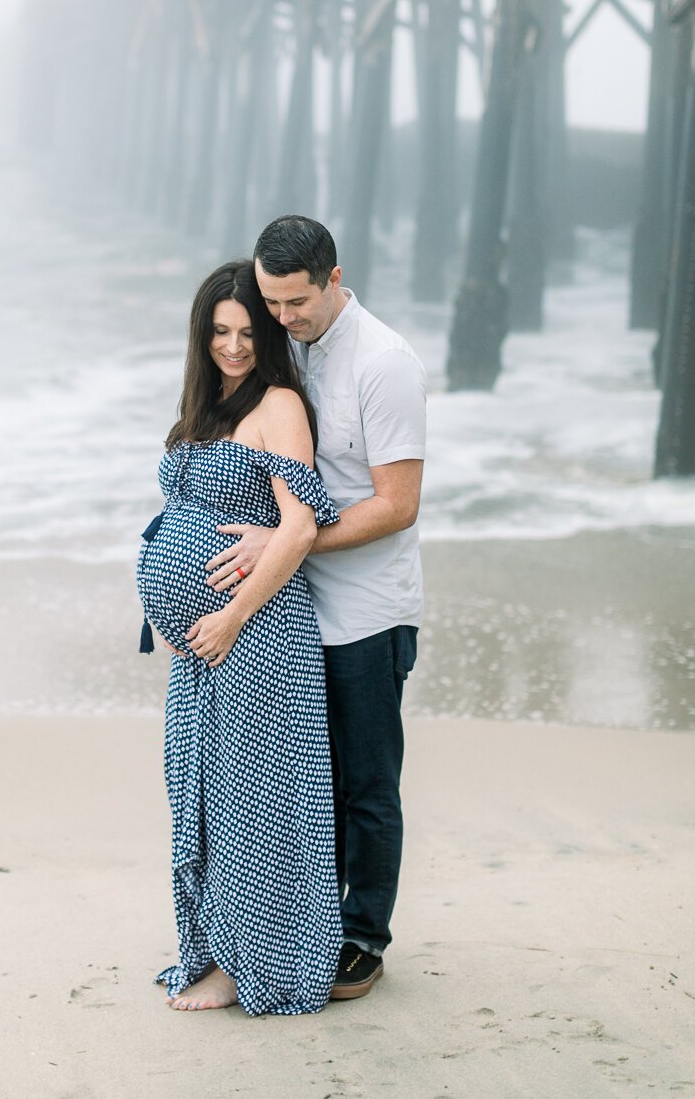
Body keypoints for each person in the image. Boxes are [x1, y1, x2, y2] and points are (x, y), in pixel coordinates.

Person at [206, 217, 426, 1000]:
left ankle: (363, 936)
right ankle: (305, 925)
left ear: (334, 279)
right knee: (305, 780)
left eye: (296, 302)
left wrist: (286, 543)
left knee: (366, 784)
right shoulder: (282, 344)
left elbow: (396, 505)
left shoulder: (385, 364)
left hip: (368, 611)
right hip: (292, 609)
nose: (282, 318)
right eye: (272, 303)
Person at [137, 259, 342, 1015]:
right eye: (219, 332)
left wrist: (230, 615)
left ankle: (253, 964)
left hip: (256, 633)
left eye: (248, 333)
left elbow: (299, 525)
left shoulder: (279, 404)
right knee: (201, 793)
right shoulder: (210, 402)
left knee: (252, 800)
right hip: (207, 646)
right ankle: (217, 945)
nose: (232, 346)